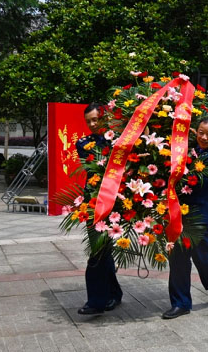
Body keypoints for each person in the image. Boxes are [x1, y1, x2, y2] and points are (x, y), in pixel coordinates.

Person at [164, 117, 208, 319]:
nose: (204, 137)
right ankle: (180, 303)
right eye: (200, 132)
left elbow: (196, 182)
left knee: (204, 257)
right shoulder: (189, 150)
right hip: (179, 214)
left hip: (201, 215)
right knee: (178, 258)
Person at [76, 103, 123, 316]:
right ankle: (110, 294)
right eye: (89, 121)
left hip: (116, 201)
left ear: (105, 118)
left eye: (96, 119)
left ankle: (100, 299)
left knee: (102, 251)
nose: (93, 124)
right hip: (94, 202)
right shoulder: (83, 143)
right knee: (99, 250)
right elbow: (96, 165)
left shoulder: (118, 139)